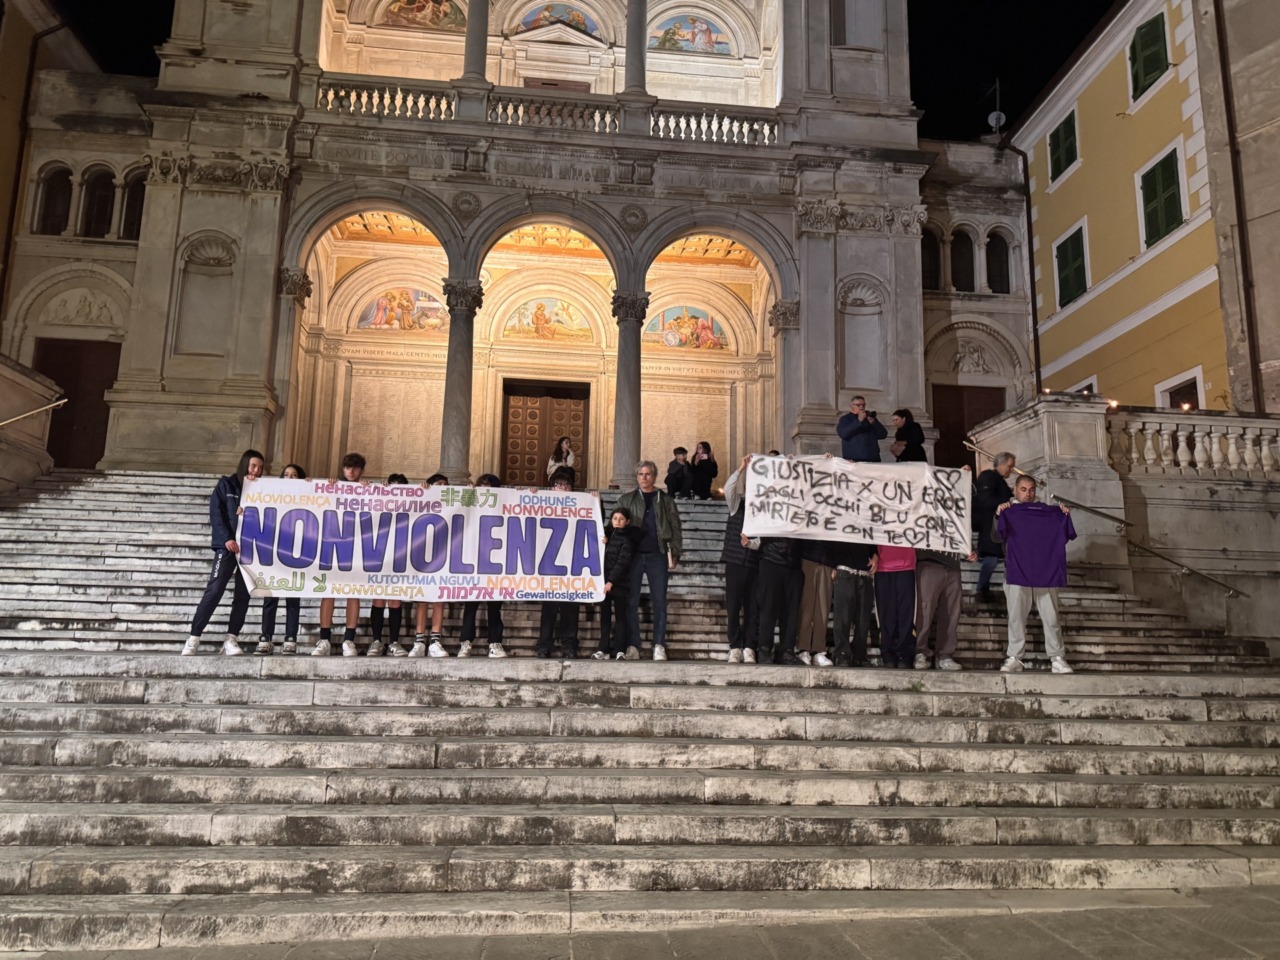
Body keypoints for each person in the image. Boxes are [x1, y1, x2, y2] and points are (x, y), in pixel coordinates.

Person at [181, 449, 264, 656]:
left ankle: (231, 638)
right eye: (253, 465)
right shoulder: (226, 484)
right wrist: (227, 538)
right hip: (227, 548)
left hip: (250, 550)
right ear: (244, 464)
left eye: (261, 467)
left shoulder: (264, 489)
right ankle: (194, 637)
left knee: (243, 596)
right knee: (215, 589)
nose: (257, 470)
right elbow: (216, 513)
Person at [995, 475, 1077, 674]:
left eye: (1031, 489)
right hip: (1017, 571)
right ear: (1015, 489)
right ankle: (1014, 657)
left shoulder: (1052, 513)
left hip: (1045, 572)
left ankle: (1057, 657)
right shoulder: (1007, 511)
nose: (1028, 493)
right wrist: (998, 516)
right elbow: (996, 536)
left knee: (1051, 617)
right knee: (1016, 617)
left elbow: (1066, 534)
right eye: (1023, 489)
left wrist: (1064, 514)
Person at [618, 460, 683, 660]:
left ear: (654, 477)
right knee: (631, 602)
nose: (644, 477)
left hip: (658, 555)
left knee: (659, 602)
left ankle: (659, 645)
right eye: (641, 474)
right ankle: (633, 645)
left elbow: (675, 528)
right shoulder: (626, 499)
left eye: (648, 474)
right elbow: (617, 525)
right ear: (636, 476)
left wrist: (675, 553)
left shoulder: (665, 500)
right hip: (634, 556)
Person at [314, 453, 367, 657]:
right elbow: (311, 499)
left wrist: (373, 489)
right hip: (334, 542)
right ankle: (325, 638)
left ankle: (349, 639)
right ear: (343, 469)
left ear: (361, 470)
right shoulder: (333, 487)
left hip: (356, 545)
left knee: (353, 591)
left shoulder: (366, 489)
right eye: (347, 467)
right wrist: (310, 484)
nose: (350, 471)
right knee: (329, 591)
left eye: (354, 468)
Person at [253, 462, 307, 656]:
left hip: (297, 553)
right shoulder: (273, 496)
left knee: (293, 597)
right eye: (286, 474)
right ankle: (265, 637)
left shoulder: (307, 497)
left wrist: (314, 488)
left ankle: (290, 638)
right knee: (270, 597)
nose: (290, 478)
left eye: (294, 475)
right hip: (274, 552)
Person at [459, 473, 508, 658]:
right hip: (473, 562)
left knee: (494, 606)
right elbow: (452, 507)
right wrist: (467, 493)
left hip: (496, 564)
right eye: (482, 485)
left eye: (489, 486)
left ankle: (495, 643)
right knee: (470, 605)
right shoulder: (471, 502)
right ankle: (466, 642)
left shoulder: (502, 505)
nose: (485, 489)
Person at [537, 469, 581, 659]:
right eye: (558, 485)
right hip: (549, 565)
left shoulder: (583, 504)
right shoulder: (542, 503)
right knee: (549, 608)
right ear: (551, 488)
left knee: (571, 608)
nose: (562, 488)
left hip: (573, 564)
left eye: (566, 485)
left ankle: (569, 645)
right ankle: (544, 645)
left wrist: (595, 501)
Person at [721, 455, 760, 663]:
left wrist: (750, 544)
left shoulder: (764, 510)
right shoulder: (737, 504)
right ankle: (735, 646)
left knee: (752, 607)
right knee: (734, 606)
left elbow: (762, 540)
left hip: (754, 563)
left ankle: (749, 646)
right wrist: (741, 468)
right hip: (735, 562)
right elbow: (728, 488)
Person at [367, 472, 410, 658]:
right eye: (393, 486)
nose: (395, 491)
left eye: (400, 487)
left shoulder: (410, 506)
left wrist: (426, 490)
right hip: (380, 555)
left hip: (400, 556)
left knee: (395, 599)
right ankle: (376, 641)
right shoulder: (379, 503)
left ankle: (393, 641)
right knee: (378, 598)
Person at [913, 548, 976, 671]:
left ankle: (945, 655)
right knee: (924, 611)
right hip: (928, 562)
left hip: (953, 566)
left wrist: (971, 549)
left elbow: (962, 531)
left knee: (951, 612)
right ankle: (919, 652)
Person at [412, 472, 451, 657]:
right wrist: (421, 491)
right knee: (422, 599)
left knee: (438, 599)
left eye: (444, 484)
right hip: (422, 554)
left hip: (443, 555)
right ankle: (419, 640)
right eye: (438, 484)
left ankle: (435, 640)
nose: (441, 487)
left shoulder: (452, 502)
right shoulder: (423, 500)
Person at [974, 452, 1017, 603]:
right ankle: (981, 589)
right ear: (1001, 464)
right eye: (1010, 467)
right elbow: (984, 500)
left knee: (992, 558)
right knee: (991, 559)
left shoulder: (997, 480)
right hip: (989, 525)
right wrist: (1008, 501)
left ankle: (983, 589)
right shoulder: (989, 477)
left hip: (995, 525)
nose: (1011, 470)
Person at [595, 507, 638, 660]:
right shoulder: (606, 536)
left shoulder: (628, 539)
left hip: (619, 584)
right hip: (604, 583)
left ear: (627, 522)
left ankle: (620, 649)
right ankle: (603, 649)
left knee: (620, 618)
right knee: (605, 617)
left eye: (621, 519)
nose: (618, 521)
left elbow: (623, 562)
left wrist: (611, 581)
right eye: (615, 518)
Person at [754, 534, 802, 665]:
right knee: (768, 607)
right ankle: (764, 649)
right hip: (771, 559)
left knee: (791, 611)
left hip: (794, 561)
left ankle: (786, 650)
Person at [829, 539, 875, 667]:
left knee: (863, 620)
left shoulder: (867, 521)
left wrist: (875, 556)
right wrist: (832, 564)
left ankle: (860, 654)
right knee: (843, 617)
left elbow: (874, 543)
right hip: (844, 570)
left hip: (865, 574)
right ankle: (842, 653)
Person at [794, 537, 835, 666]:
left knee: (823, 608)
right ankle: (803, 648)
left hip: (828, 561)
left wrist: (836, 563)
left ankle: (819, 650)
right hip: (807, 557)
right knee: (806, 607)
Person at [874, 544, 916, 668]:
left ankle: (905, 655)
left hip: (907, 566)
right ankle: (888, 654)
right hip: (883, 566)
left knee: (906, 614)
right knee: (886, 614)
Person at [837, 396, 887, 462]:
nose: (861, 407)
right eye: (858, 405)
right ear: (851, 406)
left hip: (873, 459)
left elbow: (883, 434)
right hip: (854, 460)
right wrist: (858, 420)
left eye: (863, 405)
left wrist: (874, 422)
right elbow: (843, 434)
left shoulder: (869, 418)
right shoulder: (846, 419)